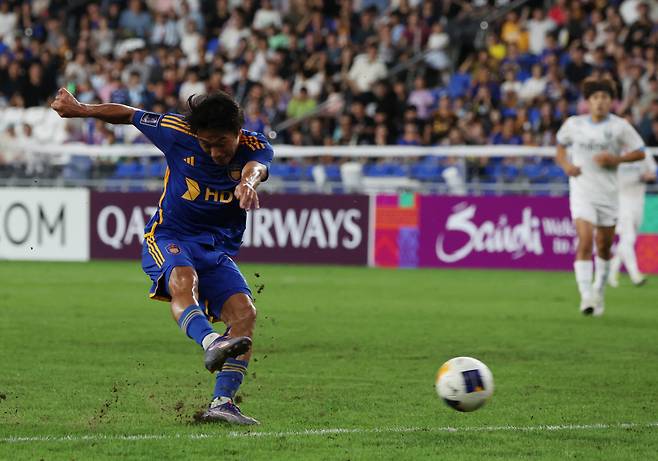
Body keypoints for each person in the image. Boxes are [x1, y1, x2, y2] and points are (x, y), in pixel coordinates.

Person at [51, 88, 273, 424]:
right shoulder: (176, 131)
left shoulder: (255, 145)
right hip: (170, 236)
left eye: (221, 143)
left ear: (237, 134)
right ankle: (211, 341)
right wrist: (82, 109)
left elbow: (257, 167)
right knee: (185, 279)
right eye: (206, 144)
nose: (214, 152)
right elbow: (129, 114)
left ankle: (222, 403)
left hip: (215, 249)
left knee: (245, 315)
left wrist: (248, 183)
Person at [555, 77, 646, 316]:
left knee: (604, 246)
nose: (600, 102)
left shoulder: (619, 126)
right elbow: (560, 147)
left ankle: (599, 290)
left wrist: (616, 159)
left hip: (608, 194)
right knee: (585, 240)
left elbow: (640, 152)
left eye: (605, 98)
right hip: (582, 191)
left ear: (611, 102)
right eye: (595, 98)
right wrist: (566, 166)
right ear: (588, 102)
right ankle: (586, 296)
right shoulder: (573, 124)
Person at [608, 153, 657, 287]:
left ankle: (612, 270)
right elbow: (612, 177)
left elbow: (654, 170)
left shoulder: (643, 153)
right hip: (623, 200)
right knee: (628, 238)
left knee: (628, 240)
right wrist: (639, 177)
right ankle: (635, 275)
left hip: (639, 200)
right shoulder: (616, 152)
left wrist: (649, 176)